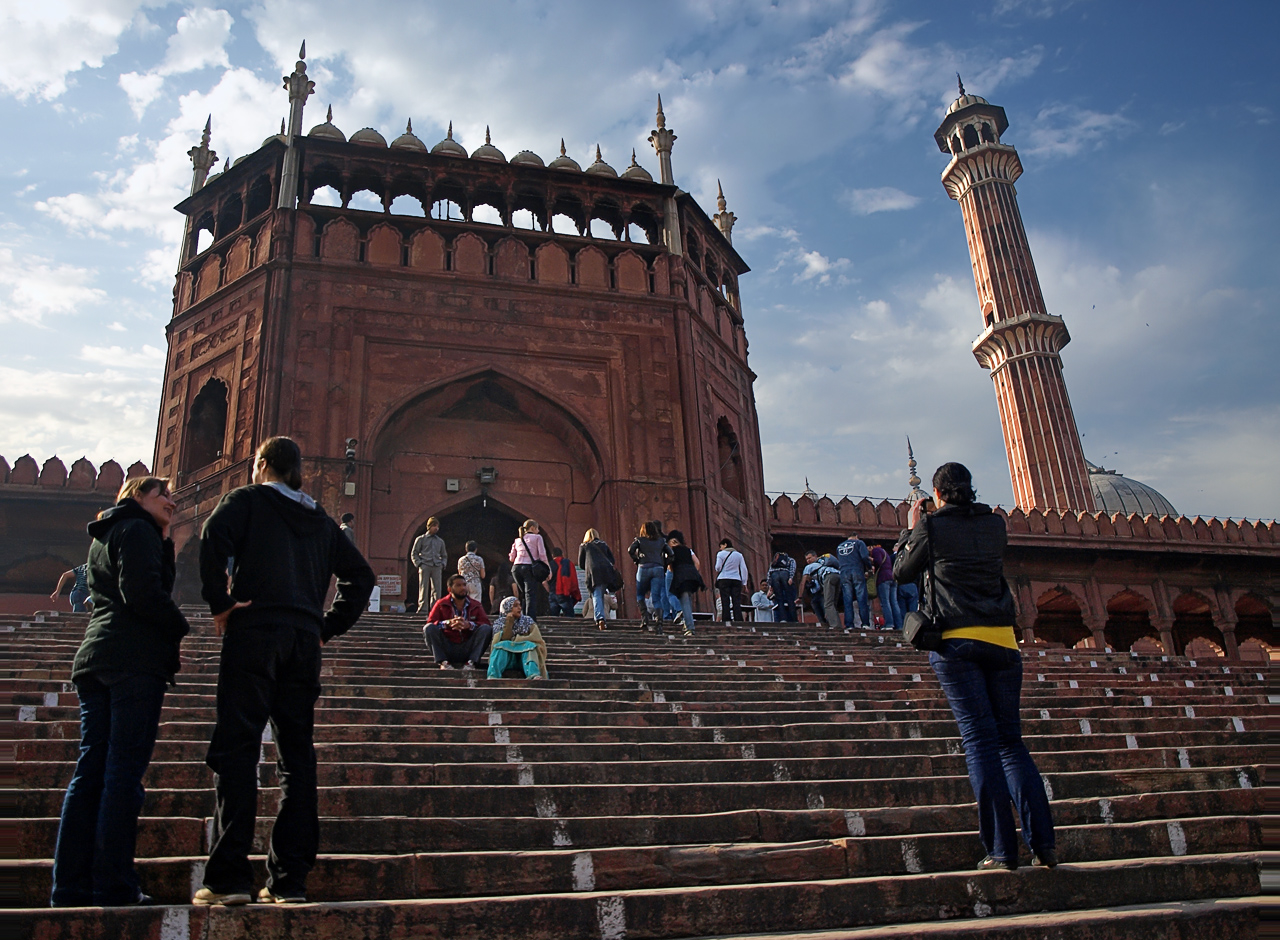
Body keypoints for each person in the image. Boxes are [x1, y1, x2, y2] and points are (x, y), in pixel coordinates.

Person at [196, 436, 374, 906]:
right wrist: (327, 626)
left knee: (238, 747)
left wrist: (221, 602)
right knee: (297, 758)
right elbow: (362, 578)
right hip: (302, 641)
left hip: (255, 630)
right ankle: (289, 881)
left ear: (261, 465)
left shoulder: (247, 500)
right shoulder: (320, 519)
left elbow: (212, 538)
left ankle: (229, 878)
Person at [894, 461, 1056, 871]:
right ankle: (1045, 845)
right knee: (1011, 743)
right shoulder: (995, 525)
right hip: (1004, 641)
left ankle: (1002, 850)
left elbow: (901, 572)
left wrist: (913, 526)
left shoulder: (931, 528)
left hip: (957, 643)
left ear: (937, 494)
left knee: (980, 744)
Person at [50, 476, 189, 907]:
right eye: (161, 493)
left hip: (96, 659)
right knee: (122, 775)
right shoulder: (137, 530)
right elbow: (145, 593)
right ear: (137, 498)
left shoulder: (107, 534)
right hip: (132, 662)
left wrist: (164, 540)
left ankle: (69, 886)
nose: (171, 499)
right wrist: (180, 626)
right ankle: (114, 884)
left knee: (91, 771)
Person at [424, 574, 494, 670]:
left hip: (467, 646)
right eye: (458, 585)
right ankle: (443, 662)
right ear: (449, 589)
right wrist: (448, 624)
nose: (463, 588)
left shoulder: (476, 605)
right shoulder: (441, 604)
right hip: (448, 646)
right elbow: (431, 622)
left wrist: (469, 625)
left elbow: (486, 623)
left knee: (486, 629)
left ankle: (471, 662)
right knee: (428, 628)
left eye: (464, 585)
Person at [488, 596, 548, 680]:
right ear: (507, 608)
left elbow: (536, 639)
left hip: (524, 658)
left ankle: (533, 675)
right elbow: (503, 639)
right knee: (500, 646)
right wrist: (509, 621)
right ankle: (493, 676)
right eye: (515, 606)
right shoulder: (499, 623)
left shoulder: (527, 621)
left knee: (530, 646)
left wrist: (517, 641)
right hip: (507, 658)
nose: (519, 608)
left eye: (520, 605)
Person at [628, 521, 670, 629]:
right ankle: (659, 622)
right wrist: (664, 563)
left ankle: (645, 617)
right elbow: (671, 554)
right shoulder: (661, 541)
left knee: (640, 594)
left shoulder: (639, 540)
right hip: (658, 568)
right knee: (656, 597)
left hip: (644, 567)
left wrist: (636, 560)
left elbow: (630, 550)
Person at [664, 530, 703, 637]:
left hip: (680, 576)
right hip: (692, 575)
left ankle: (690, 627)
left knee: (675, 596)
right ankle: (687, 623)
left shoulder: (671, 551)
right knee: (688, 600)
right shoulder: (688, 550)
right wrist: (693, 573)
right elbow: (697, 563)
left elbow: (670, 567)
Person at [509, 520, 550, 620]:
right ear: (532, 528)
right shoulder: (537, 538)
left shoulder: (517, 540)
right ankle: (529, 620)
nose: (538, 531)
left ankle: (520, 616)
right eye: (537, 528)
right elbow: (542, 555)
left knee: (523, 593)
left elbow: (511, 558)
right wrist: (548, 569)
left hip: (516, 568)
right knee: (530, 595)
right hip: (529, 568)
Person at [578, 528, 618, 631]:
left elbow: (581, 563)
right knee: (601, 593)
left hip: (593, 572)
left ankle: (600, 618)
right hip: (606, 572)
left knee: (596, 594)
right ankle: (601, 617)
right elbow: (612, 560)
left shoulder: (584, 546)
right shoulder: (603, 544)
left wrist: (588, 566)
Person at [410, 517, 447, 614]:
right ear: (429, 526)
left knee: (437, 589)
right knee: (423, 587)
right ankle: (423, 609)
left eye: (437, 526)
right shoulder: (421, 539)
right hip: (425, 564)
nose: (436, 528)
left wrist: (443, 564)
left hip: (436, 565)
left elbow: (444, 555)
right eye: (434, 526)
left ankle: (435, 609)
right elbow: (414, 553)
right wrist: (419, 564)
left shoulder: (440, 541)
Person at [836, 532, 871, 630]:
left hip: (844, 572)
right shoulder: (859, 543)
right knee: (861, 598)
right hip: (856, 570)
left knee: (847, 599)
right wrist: (869, 567)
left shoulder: (839, 546)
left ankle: (849, 624)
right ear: (856, 537)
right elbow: (864, 556)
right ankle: (865, 624)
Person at [798, 550, 841, 628]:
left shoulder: (809, 567)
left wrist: (800, 597)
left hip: (829, 577)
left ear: (815, 556)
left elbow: (802, 583)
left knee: (828, 604)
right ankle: (837, 624)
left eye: (810, 558)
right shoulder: (823, 563)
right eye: (807, 559)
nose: (808, 561)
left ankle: (835, 626)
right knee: (833, 603)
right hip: (838, 575)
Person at [713, 538, 749, 624]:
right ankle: (738, 619)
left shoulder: (721, 554)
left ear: (725, 545)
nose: (720, 548)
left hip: (724, 579)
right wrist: (744, 582)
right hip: (736, 579)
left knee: (725, 600)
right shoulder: (739, 555)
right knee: (736, 600)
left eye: (721, 546)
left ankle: (726, 619)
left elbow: (717, 568)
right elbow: (744, 569)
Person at [869, 542, 902, 630]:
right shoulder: (885, 552)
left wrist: (871, 560)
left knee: (885, 602)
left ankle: (889, 624)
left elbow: (878, 561)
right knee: (894, 602)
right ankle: (899, 625)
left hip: (883, 578)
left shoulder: (876, 550)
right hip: (892, 577)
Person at [547, 547, 581, 616]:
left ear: (552, 555)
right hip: (564, 593)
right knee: (569, 616)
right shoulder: (567, 563)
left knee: (553, 618)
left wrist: (549, 591)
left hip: (553, 593)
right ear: (562, 554)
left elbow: (545, 581)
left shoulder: (549, 565)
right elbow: (573, 580)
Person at [767, 551, 797, 622]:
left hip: (775, 576)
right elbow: (793, 568)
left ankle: (783, 619)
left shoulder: (774, 561)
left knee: (779, 599)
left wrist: (770, 585)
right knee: (790, 598)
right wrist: (791, 577)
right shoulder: (790, 559)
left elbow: (769, 572)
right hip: (785, 574)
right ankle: (794, 619)